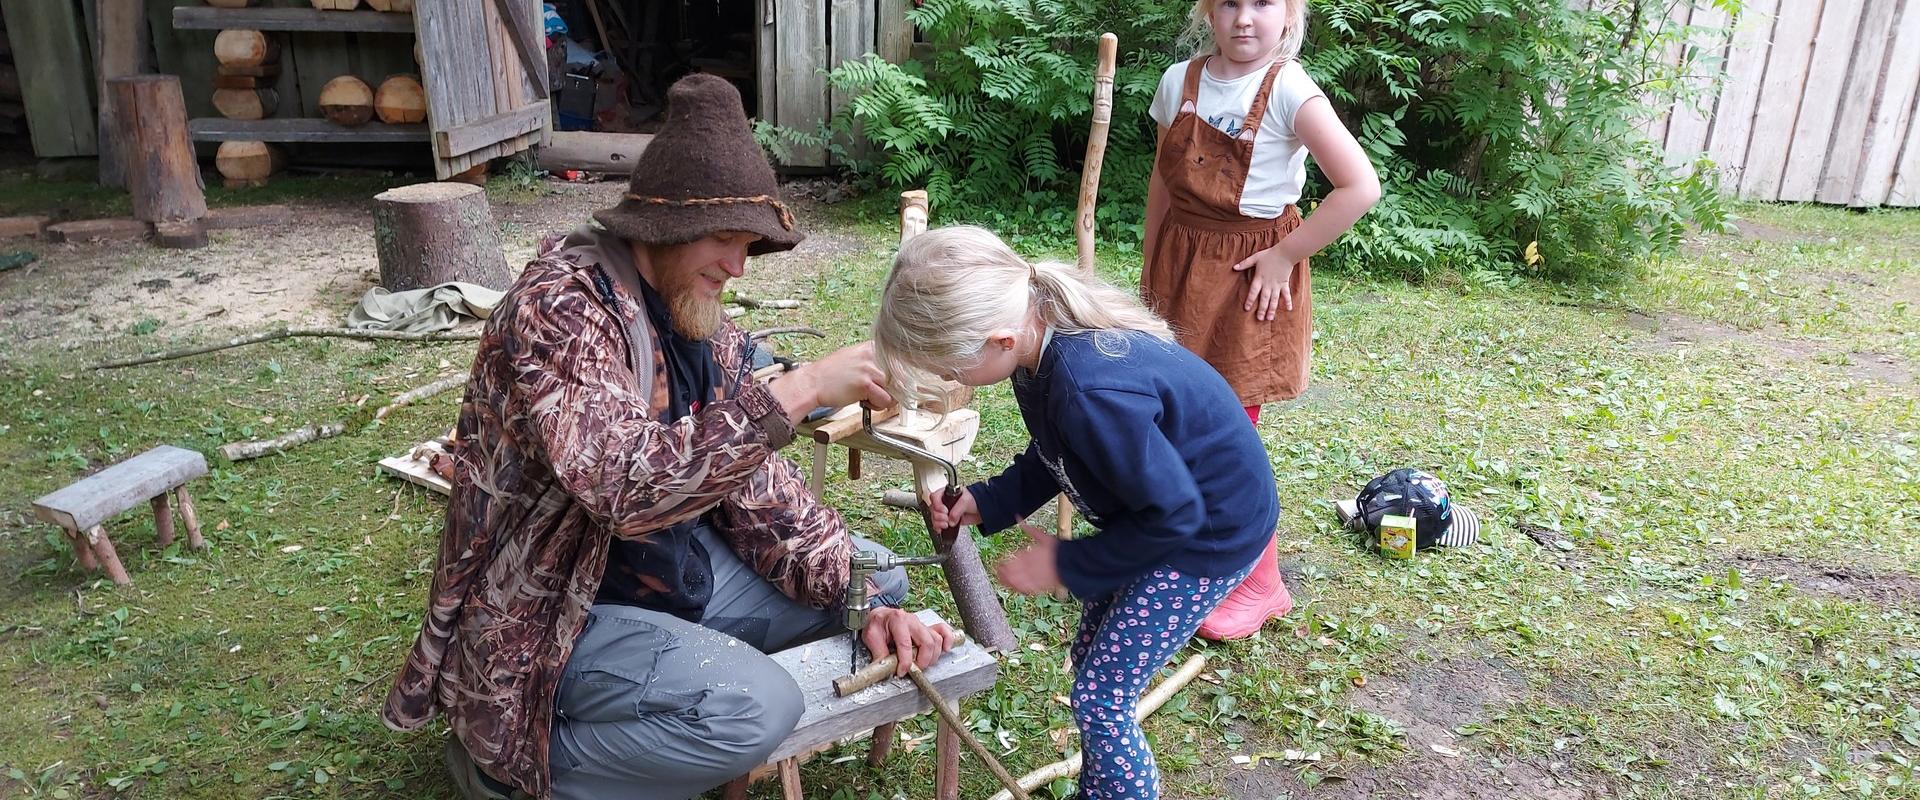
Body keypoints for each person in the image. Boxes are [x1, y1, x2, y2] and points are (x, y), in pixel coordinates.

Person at [379, 74, 957, 800]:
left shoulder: (694, 319)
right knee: (755, 708)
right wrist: (799, 390)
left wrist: (868, 603)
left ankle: (679, 670)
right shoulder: (560, 309)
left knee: (868, 571)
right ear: (661, 227)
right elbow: (623, 488)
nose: (737, 266)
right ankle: (511, 762)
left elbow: (759, 490)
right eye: (723, 238)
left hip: (665, 574)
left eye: (748, 244)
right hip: (556, 606)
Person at [872, 225, 1281, 800]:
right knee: (1093, 660)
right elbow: (1056, 452)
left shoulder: (1089, 392)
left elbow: (1176, 517)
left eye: (946, 368)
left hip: (1204, 539)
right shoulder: (1035, 357)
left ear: (996, 339)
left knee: (1100, 697)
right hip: (1155, 519)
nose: (947, 380)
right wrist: (988, 500)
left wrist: (1067, 563)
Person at [1142, 0, 1380, 640]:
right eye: (1229, 4)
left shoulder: (1290, 90)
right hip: (1179, 264)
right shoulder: (1178, 83)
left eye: (1263, 3)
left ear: (1290, 16)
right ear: (1207, 13)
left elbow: (1359, 185)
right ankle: (1188, 554)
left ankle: (1260, 583)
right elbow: (1162, 183)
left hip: (1250, 274)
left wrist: (1284, 255)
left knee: (1227, 429)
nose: (1244, 18)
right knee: (1170, 414)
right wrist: (1151, 261)